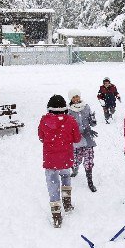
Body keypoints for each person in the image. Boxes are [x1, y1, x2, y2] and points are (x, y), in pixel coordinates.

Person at [38, 94, 82, 228]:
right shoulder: (70, 120)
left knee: (52, 183)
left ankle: (56, 213)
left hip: (50, 159)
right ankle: (67, 203)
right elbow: (77, 139)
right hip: (65, 157)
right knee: (65, 176)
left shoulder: (44, 120)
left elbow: (41, 137)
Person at [67, 89, 98, 192]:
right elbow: (67, 126)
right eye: (74, 97)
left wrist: (93, 120)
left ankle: (90, 181)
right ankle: (75, 169)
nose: (76, 99)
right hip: (75, 140)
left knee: (89, 160)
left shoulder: (86, 107)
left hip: (87, 138)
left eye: (77, 96)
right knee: (76, 161)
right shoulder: (68, 110)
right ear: (71, 98)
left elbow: (92, 123)